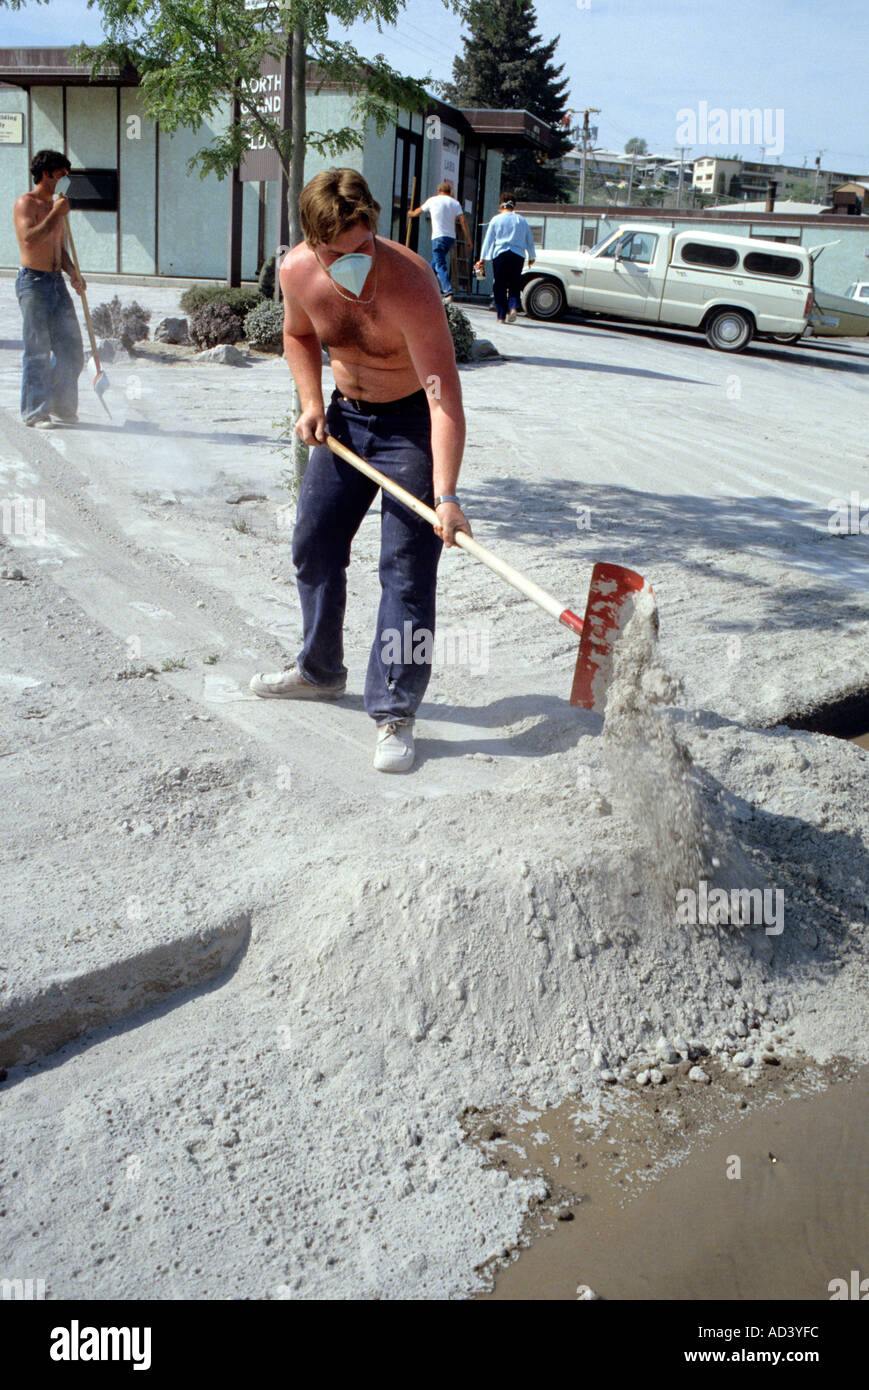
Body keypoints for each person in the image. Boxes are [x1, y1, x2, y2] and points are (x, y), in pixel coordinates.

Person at [249, 168, 472, 774]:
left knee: (405, 568)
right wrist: (312, 402)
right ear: (312, 243)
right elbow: (298, 335)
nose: (356, 263)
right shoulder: (296, 271)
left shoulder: (411, 284)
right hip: (346, 421)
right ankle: (319, 671)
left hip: (410, 427)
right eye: (337, 254)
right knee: (314, 544)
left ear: (375, 225)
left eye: (364, 247)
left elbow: (442, 396)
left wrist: (447, 494)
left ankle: (396, 708)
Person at [12, 149, 85, 428]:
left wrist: (73, 273)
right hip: (33, 282)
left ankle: (60, 404)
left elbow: (60, 248)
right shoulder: (26, 203)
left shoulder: (58, 206)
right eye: (61, 175)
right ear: (46, 174)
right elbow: (29, 239)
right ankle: (35, 411)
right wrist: (56, 212)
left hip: (56, 282)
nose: (65, 181)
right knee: (38, 350)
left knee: (72, 350)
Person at [474, 195, 536, 324]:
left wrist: (482, 258)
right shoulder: (521, 220)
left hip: (500, 254)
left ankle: (501, 316)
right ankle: (513, 306)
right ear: (514, 205)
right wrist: (532, 256)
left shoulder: (496, 219)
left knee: (499, 285)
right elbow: (529, 239)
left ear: (501, 205)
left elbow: (488, 240)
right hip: (518, 255)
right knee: (514, 283)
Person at [407, 180, 473, 301]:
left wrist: (410, 213)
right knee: (433, 265)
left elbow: (417, 212)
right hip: (450, 238)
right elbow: (463, 221)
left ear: (439, 191)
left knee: (440, 264)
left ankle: (448, 292)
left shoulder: (432, 200)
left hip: (438, 237)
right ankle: (424, 287)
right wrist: (469, 240)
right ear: (450, 192)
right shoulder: (455, 203)